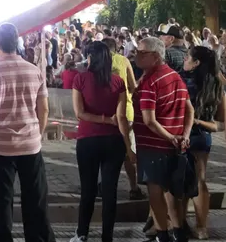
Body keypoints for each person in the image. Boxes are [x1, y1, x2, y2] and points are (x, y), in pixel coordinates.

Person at [0, 23, 55, 242]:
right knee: (36, 201)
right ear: (17, 42)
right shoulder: (34, 71)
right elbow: (44, 108)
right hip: (30, 145)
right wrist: (38, 133)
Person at [133, 36, 195, 242]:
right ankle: (178, 231)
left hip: (154, 146)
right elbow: (189, 110)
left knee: (156, 192)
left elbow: (149, 120)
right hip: (174, 145)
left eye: (142, 53)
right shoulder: (175, 76)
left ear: (156, 56)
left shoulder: (151, 82)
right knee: (171, 191)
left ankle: (163, 234)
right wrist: (183, 136)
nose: (136, 56)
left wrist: (170, 138)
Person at [70, 41, 130, 242]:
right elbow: (121, 118)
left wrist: (102, 119)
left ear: (90, 58)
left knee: (87, 189)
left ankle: (82, 233)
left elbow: (80, 113)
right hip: (114, 141)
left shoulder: (80, 79)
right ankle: (107, 237)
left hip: (88, 141)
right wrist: (129, 147)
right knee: (110, 191)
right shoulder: (118, 82)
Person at [181, 46, 226, 240]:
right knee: (200, 180)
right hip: (202, 136)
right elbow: (221, 120)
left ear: (196, 62)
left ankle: (179, 223)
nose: (184, 60)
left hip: (180, 135)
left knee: (179, 181)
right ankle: (201, 227)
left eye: (187, 57)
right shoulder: (216, 85)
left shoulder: (180, 81)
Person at [102, 37, 142, 200]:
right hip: (126, 111)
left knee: (106, 152)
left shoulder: (97, 63)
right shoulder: (124, 60)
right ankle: (134, 187)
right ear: (116, 48)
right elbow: (133, 85)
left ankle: (106, 186)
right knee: (128, 151)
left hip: (105, 113)